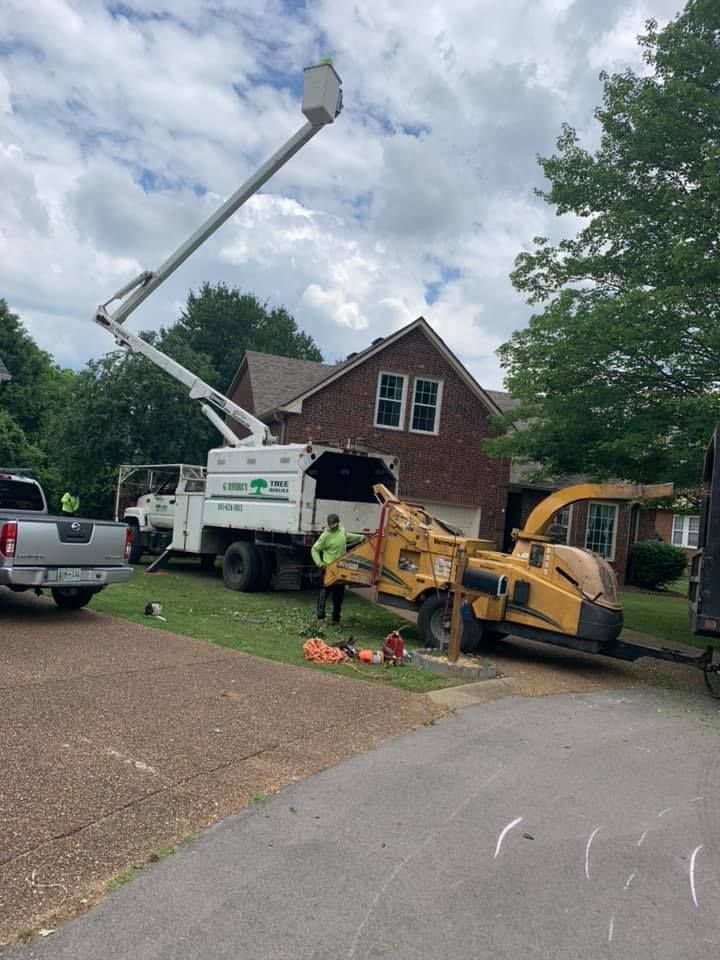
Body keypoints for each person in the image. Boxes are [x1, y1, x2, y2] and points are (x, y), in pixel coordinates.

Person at [311, 513, 364, 625]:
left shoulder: (342, 530)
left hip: (341, 570)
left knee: (339, 596)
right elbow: (314, 549)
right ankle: (320, 618)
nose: (333, 528)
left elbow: (347, 536)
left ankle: (336, 620)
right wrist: (320, 563)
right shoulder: (325, 536)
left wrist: (360, 537)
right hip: (329, 569)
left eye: (334, 525)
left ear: (338, 523)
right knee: (324, 594)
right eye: (331, 526)